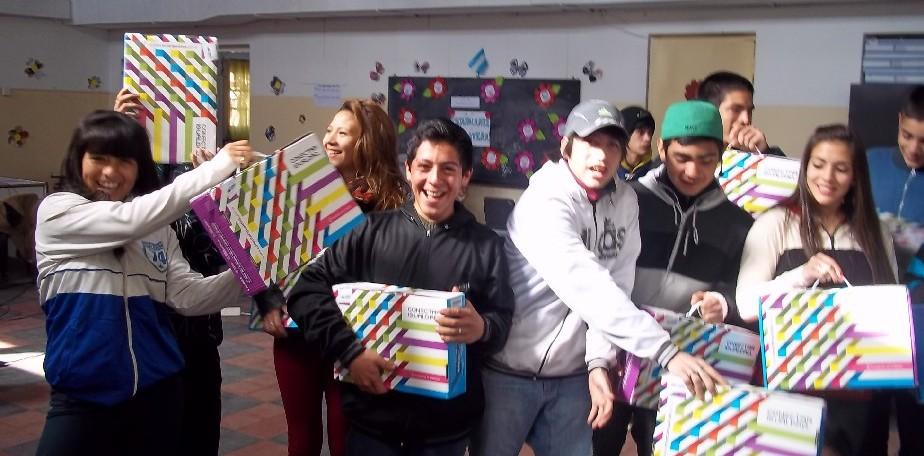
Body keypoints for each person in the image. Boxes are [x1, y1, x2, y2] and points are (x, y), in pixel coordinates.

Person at [471, 100, 726, 456]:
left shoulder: (625, 201)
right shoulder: (544, 201)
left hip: (572, 377)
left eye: (612, 145)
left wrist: (597, 363)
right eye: (591, 143)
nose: (602, 155)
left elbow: (618, 285)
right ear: (566, 147)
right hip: (508, 371)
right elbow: (587, 286)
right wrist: (666, 352)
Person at [283, 118, 514, 456]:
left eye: (448, 169)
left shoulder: (486, 246)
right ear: (408, 170)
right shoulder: (368, 232)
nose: (435, 180)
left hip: (445, 433)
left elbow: (502, 320)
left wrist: (482, 328)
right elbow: (305, 291)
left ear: (465, 177)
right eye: (425, 166)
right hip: (371, 425)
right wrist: (350, 352)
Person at [34, 110, 255, 456]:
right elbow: (129, 220)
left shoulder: (157, 230)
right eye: (99, 158)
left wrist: (253, 269)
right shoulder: (58, 212)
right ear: (78, 160)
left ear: (139, 168)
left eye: (125, 161)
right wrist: (217, 167)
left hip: (158, 394)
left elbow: (190, 297)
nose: (111, 172)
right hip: (82, 396)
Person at [593, 100, 754, 456]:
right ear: (662, 149)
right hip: (614, 349)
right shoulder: (628, 201)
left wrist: (723, 303)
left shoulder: (737, 223)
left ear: (722, 155)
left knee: (663, 447)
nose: (693, 171)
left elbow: (742, 291)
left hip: (682, 362)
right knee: (596, 444)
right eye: (682, 158)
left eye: (706, 160)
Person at [736, 124, 897, 456]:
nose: (828, 177)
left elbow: (891, 308)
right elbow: (746, 305)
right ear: (805, 166)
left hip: (859, 395)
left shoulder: (875, 231)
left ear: (856, 176)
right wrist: (801, 275)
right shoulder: (775, 223)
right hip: (788, 394)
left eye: (841, 168)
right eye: (819, 164)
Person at [259, 98, 408, 456]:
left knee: (347, 438)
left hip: (354, 336)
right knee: (302, 438)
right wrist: (266, 299)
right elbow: (266, 249)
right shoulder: (299, 189)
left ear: (368, 142)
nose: (329, 139)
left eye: (343, 133)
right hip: (297, 333)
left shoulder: (393, 203)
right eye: (329, 130)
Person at [113, 87, 229, 456]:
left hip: (197, 332)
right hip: (137, 337)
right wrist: (118, 131)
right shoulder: (122, 175)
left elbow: (218, 251)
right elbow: (112, 219)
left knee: (199, 436)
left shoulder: (208, 164)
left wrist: (217, 188)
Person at [862, 85, 924, 456]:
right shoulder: (869, 163)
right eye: (907, 135)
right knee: (867, 428)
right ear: (899, 121)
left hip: (919, 320)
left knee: (915, 431)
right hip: (867, 316)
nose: (914, 148)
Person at [697, 71, 785, 156]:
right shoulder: (691, 154)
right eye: (736, 110)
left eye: (749, 111)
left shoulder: (749, 153)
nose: (746, 120)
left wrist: (765, 152)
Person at [616, 106, 655, 181]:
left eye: (650, 133)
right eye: (641, 132)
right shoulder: (609, 169)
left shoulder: (654, 172)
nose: (648, 138)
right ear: (625, 135)